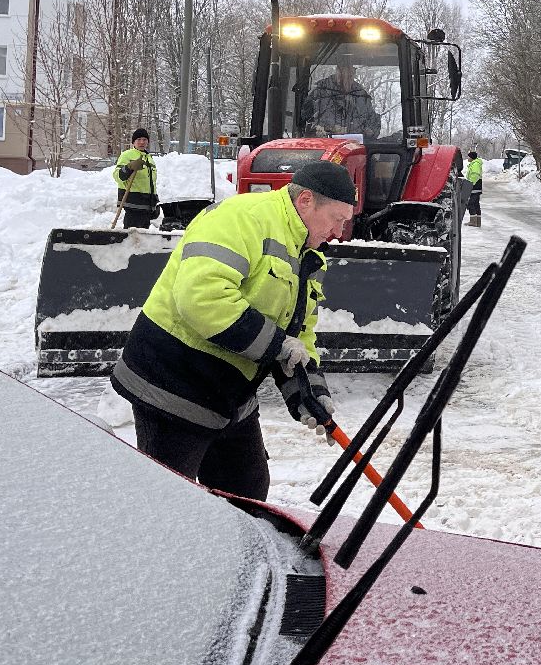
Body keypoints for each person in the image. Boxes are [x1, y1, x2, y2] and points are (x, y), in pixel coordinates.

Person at [110, 160, 358, 500]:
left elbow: (297, 333)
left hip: (229, 396)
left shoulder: (310, 255)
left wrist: (308, 391)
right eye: (337, 219)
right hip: (172, 385)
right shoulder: (244, 218)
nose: (340, 232)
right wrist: (277, 347)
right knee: (167, 502)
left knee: (246, 492)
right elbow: (201, 298)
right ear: (306, 201)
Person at [303, 57, 382, 137]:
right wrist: (318, 129)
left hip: (355, 146)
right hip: (324, 145)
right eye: (343, 72)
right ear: (337, 71)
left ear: (353, 73)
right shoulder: (320, 92)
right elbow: (304, 119)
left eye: (350, 74)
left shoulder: (361, 96)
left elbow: (373, 124)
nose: (346, 76)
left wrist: (369, 132)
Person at [114, 128, 159, 229]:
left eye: (144, 139)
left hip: (146, 204)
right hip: (133, 202)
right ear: (133, 142)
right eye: (138, 139)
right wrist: (129, 167)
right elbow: (117, 176)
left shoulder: (149, 159)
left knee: (142, 237)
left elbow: (151, 183)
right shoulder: (127, 155)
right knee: (132, 236)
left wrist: (154, 201)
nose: (142, 142)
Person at [464, 149, 483, 228]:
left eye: (468, 157)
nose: (468, 158)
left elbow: (475, 175)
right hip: (476, 186)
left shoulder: (475, 164)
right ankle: (478, 222)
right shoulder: (474, 163)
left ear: (472, 157)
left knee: (470, 203)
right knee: (476, 204)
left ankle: (473, 221)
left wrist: (470, 184)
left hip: (474, 186)